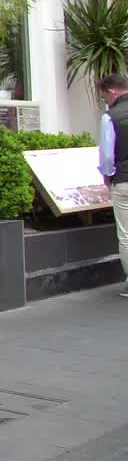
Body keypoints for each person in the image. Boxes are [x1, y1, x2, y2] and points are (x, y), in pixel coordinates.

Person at [96, 74, 128, 298]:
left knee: (126, 235)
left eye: (104, 96)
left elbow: (107, 155)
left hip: (124, 182)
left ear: (113, 92)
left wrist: (107, 175)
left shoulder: (110, 117)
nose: (104, 101)